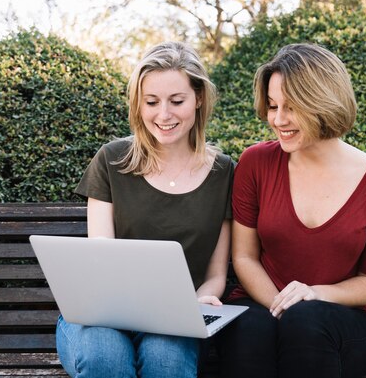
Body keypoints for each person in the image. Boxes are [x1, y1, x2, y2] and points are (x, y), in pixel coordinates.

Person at [217, 43, 366, 378]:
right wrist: (281, 305)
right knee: (250, 329)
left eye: (291, 108)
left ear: (322, 103)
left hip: (340, 320)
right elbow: (244, 257)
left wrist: (316, 294)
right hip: (260, 304)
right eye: (273, 106)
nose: (277, 120)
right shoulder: (256, 162)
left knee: (307, 320)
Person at [56, 41, 235, 378]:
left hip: (178, 316)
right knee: (104, 359)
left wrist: (202, 301)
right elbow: (101, 259)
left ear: (198, 99)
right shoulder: (112, 159)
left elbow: (215, 276)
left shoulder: (224, 172)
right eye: (151, 102)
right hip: (104, 313)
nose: (163, 115)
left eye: (176, 101)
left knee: (166, 362)